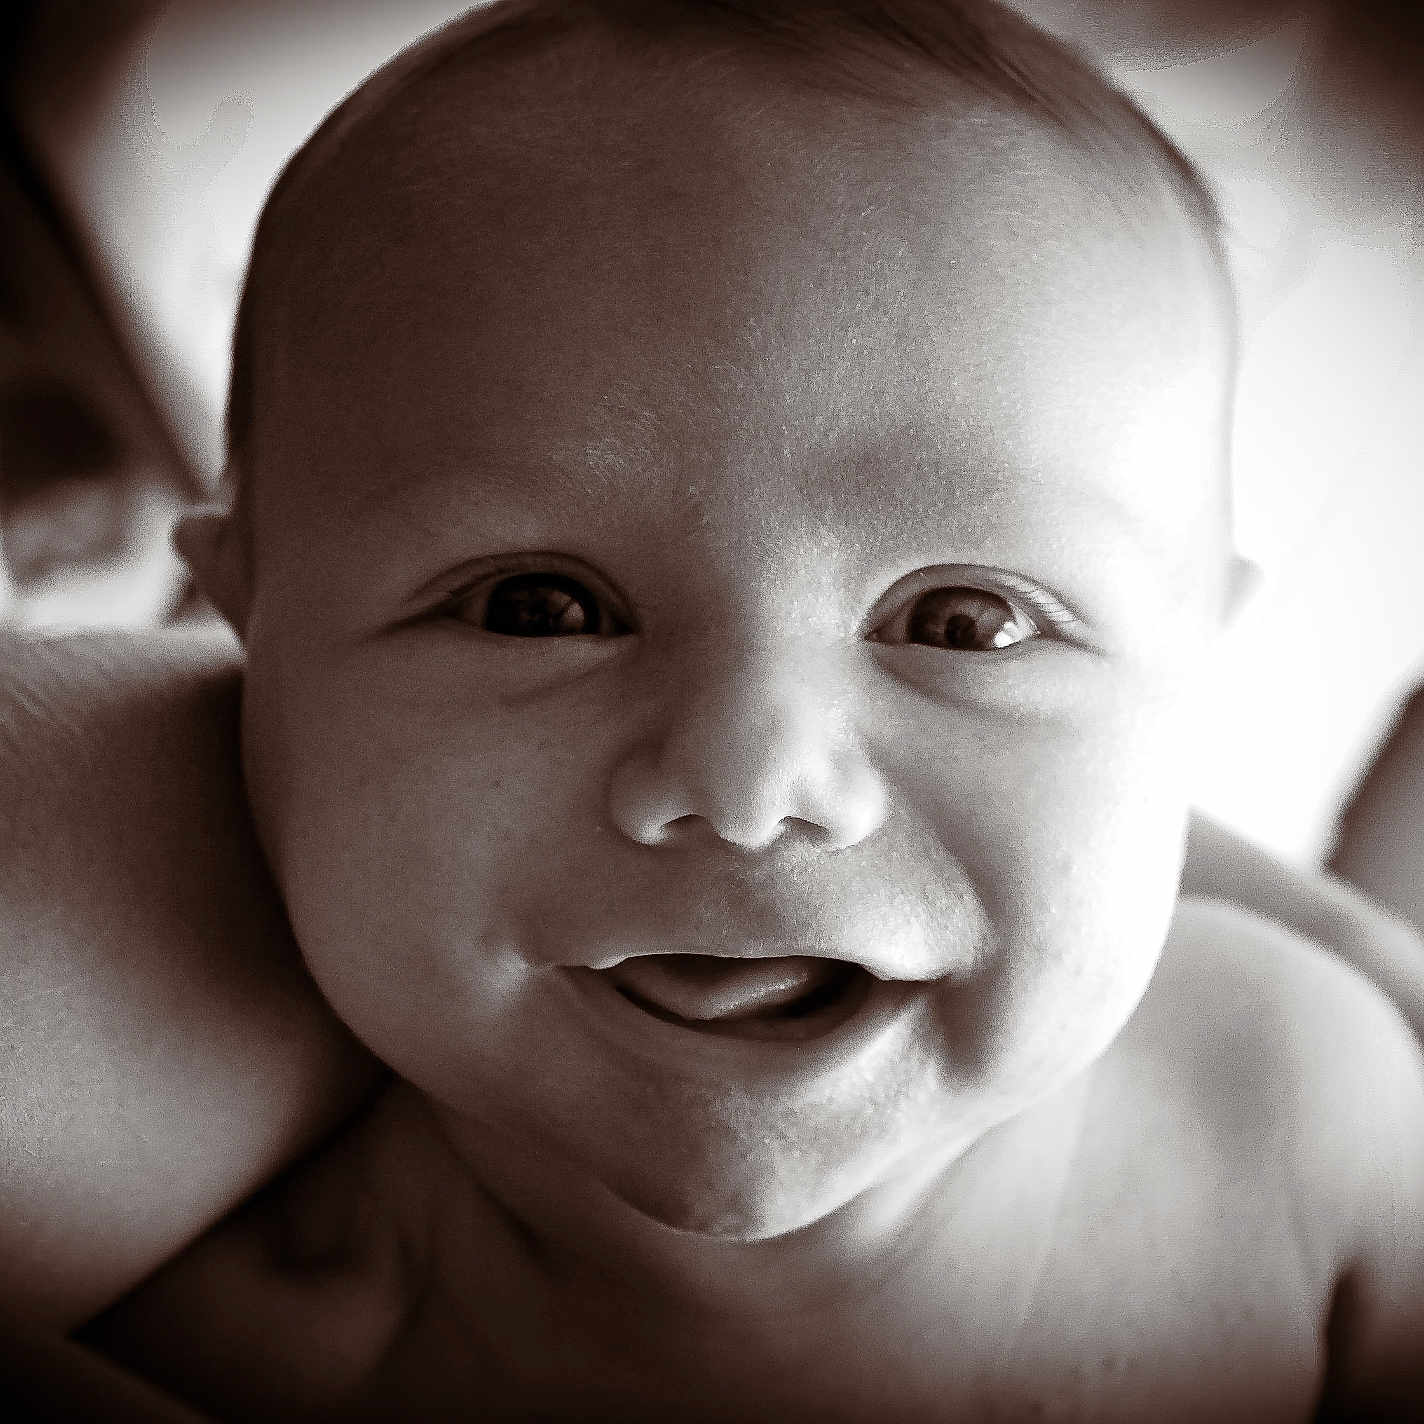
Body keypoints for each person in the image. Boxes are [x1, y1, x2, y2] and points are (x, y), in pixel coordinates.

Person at [4, 0, 1423, 1416]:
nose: (750, 782)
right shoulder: (179, 1323)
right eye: (537, 607)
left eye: (966, 621)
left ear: (1189, 667)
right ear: (247, 623)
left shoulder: (1312, 1112)